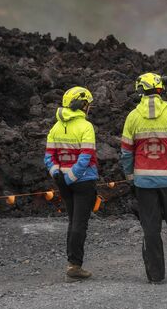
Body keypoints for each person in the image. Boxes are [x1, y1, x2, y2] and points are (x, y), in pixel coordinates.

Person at [120, 72, 167, 283]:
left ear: (140, 91)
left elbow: (126, 153)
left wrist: (129, 177)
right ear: (161, 90)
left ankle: (155, 275)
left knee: (151, 229)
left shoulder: (132, 117)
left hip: (143, 183)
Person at [44, 86, 98, 282]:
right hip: (83, 181)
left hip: (62, 182)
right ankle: (75, 266)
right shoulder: (86, 127)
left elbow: (49, 156)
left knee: (72, 220)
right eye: (88, 104)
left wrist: (57, 173)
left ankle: (72, 263)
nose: (89, 108)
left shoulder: (55, 127)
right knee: (79, 223)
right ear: (82, 105)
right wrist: (72, 176)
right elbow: (86, 156)